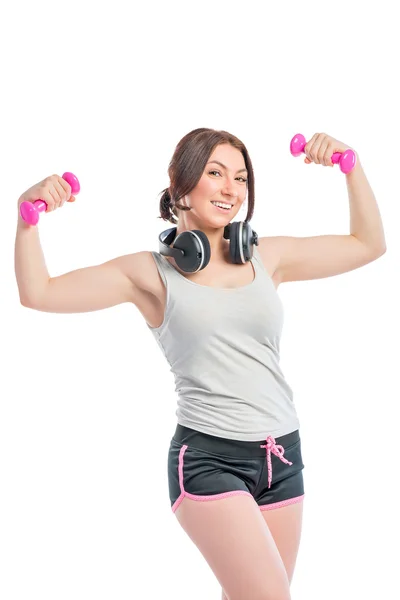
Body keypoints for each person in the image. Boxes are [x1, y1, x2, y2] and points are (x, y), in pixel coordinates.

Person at [14, 128, 386, 600]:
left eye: (241, 178)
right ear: (180, 187)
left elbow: (368, 244)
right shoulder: (150, 273)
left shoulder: (267, 256)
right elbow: (39, 293)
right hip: (210, 459)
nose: (232, 189)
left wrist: (350, 166)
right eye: (215, 173)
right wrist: (28, 219)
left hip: (283, 455)